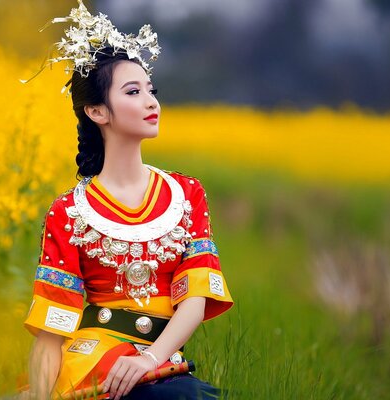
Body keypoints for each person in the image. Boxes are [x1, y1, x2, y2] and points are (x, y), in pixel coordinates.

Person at [20, 2, 233, 399]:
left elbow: (196, 298)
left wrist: (150, 359)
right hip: (92, 358)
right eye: (134, 92)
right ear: (97, 110)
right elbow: (52, 332)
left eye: (152, 90)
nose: (152, 101)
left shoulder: (187, 195)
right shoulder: (68, 211)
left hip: (160, 362)